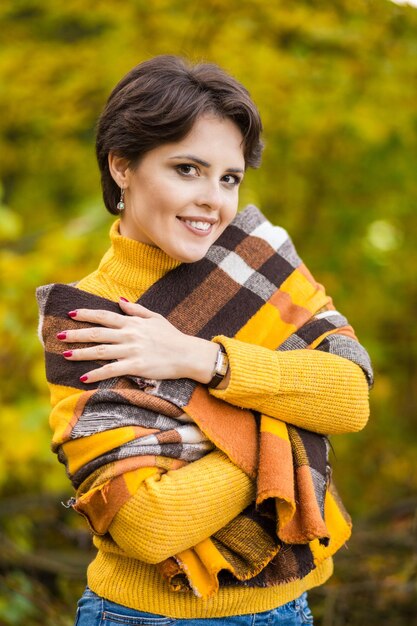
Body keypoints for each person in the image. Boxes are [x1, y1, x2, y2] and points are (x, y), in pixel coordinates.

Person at [37, 55, 372, 625]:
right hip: (147, 616)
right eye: (187, 169)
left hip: (287, 607)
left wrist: (200, 359)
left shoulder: (258, 260)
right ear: (122, 165)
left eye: (229, 178)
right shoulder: (91, 318)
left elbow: (349, 399)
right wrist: (289, 420)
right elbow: (147, 522)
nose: (212, 201)